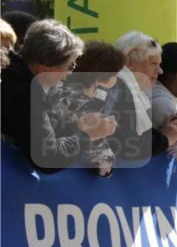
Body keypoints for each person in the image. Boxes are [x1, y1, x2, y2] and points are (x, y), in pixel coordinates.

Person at [0, 19, 117, 171]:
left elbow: (49, 136)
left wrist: (76, 126)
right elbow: (48, 158)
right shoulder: (22, 91)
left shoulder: (28, 81)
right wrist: (87, 135)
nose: (69, 74)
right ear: (45, 67)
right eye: (70, 65)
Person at [47, 41, 126, 176]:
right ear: (103, 75)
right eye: (115, 74)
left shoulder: (57, 91)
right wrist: (105, 129)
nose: (117, 80)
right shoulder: (83, 105)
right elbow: (102, 165)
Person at [108, 31, 177, 164]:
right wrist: (166, 137)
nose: (160, 71)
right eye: (154, 64)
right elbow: (130, 145)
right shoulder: (119, 89)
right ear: (130, 60)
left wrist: (161, 133)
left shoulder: (121, 88)